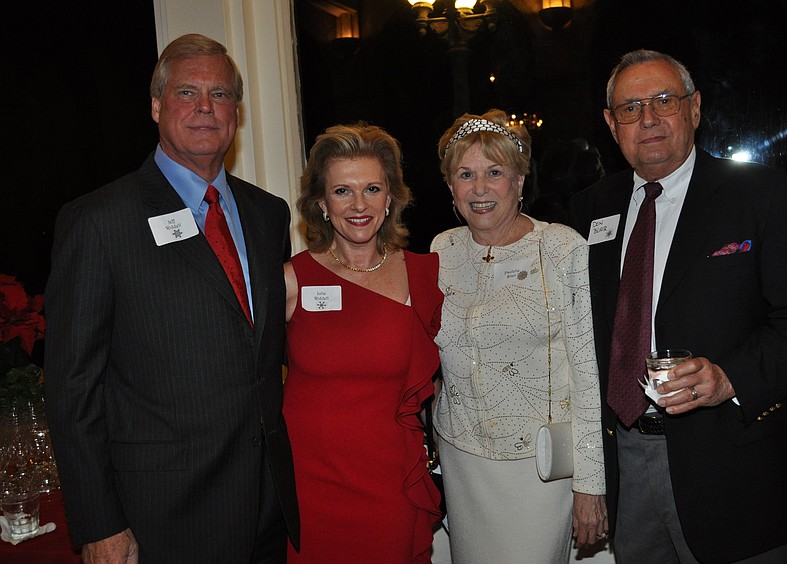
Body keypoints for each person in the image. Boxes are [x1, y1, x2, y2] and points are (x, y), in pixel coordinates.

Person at [568, 49, 787, 563]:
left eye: (664, 100)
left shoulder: (761, 194)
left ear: (694, 108)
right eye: (630, 107)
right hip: (626, 464)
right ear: (610, 123)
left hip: (733, 469)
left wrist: (730, 377)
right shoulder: (590, 209)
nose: (648, 119)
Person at [44, 34, 299, 563]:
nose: (206, 107)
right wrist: (99, 524)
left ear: (237, 111)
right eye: (188, 92)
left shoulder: (267, 215)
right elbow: (73, 390)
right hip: (159, 519)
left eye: (221, 94)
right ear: (157, 105)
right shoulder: (98, 222)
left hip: (266, 512)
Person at [430, 109, 607, 563]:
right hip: (462, 459)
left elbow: (589, 373)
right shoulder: (441, 250)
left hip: (541, 470)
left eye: (495, 173)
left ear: (520, 180)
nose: (481, 188)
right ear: (450, 186)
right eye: (465, 175)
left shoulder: (562, 247)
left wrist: (591, 484)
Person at [282, 123, 443, 562]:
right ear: (320, 203)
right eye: (342, 191)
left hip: (390, 479)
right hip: (309, 483)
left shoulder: (423, 276)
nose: (359, 205)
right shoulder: (291, 280)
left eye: (372, 188)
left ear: (391, 198)